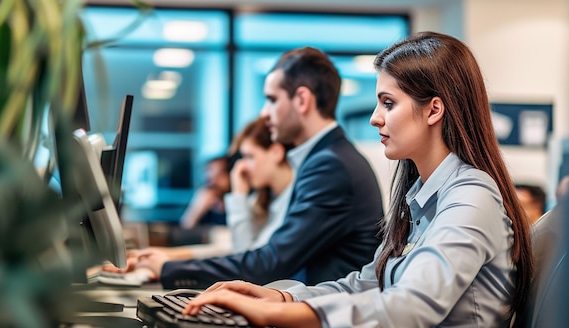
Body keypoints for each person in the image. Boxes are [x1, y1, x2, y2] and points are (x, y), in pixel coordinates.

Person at [182, 32, 534, 328]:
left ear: (433, 110)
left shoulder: (472, 197)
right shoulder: (422, 198)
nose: (374, 117)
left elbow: (410, 307)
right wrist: (283, 299)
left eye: (389, 103)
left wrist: (275, 316)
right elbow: (369, 283)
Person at [133, 46, 384, 289]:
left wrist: (169, 269)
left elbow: (270, 263)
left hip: (325, 321)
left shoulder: (329, 166)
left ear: (302, 100)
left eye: (272, 99)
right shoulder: (324, 158)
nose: (264, 113)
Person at [114, 117, 294, 267]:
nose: (242, 167)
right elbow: (229, 249)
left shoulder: (291, 201)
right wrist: (166, 255)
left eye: (250, 157)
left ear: (276, 152)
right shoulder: (265, 200)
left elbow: (244, 257)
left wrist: (238, 195)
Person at [179, 155, 231, 229]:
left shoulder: (241, 203)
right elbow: (184, 230)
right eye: (209, 179)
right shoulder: (205, 208)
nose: (213, 183)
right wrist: (195, 210)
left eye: (218, 176)